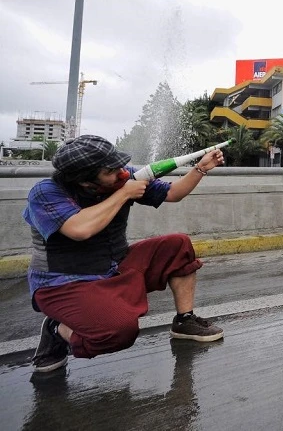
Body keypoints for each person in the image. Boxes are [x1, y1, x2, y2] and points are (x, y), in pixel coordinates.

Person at [23, 135, 225, 373]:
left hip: (115, 266)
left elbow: (173, 193)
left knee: (176, 245)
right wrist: (124, 194)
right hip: (64, 281)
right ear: (84, 179)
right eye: (111, 169)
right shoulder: (46, 192)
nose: (121, 172)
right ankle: (56, 329)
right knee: (118, 332)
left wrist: (200, 168)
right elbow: (79, 229)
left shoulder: (122, 178)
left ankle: (185, 321)